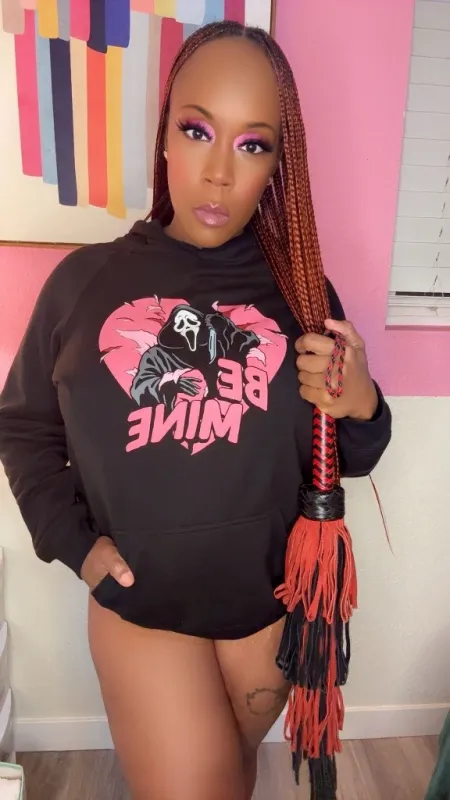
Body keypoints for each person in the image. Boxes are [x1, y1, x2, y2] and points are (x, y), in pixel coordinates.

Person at [0, 21, 392, 800]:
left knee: (230, 777)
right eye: (197, 130)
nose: (219, 172)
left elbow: (349, 453)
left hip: (268, 613)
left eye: (253, 145)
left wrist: (361, 400)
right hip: (143, 605)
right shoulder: (84, 284)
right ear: (165, 136)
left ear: (278, 165)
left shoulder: (303, 294)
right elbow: (24, 425)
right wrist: (73, 544)